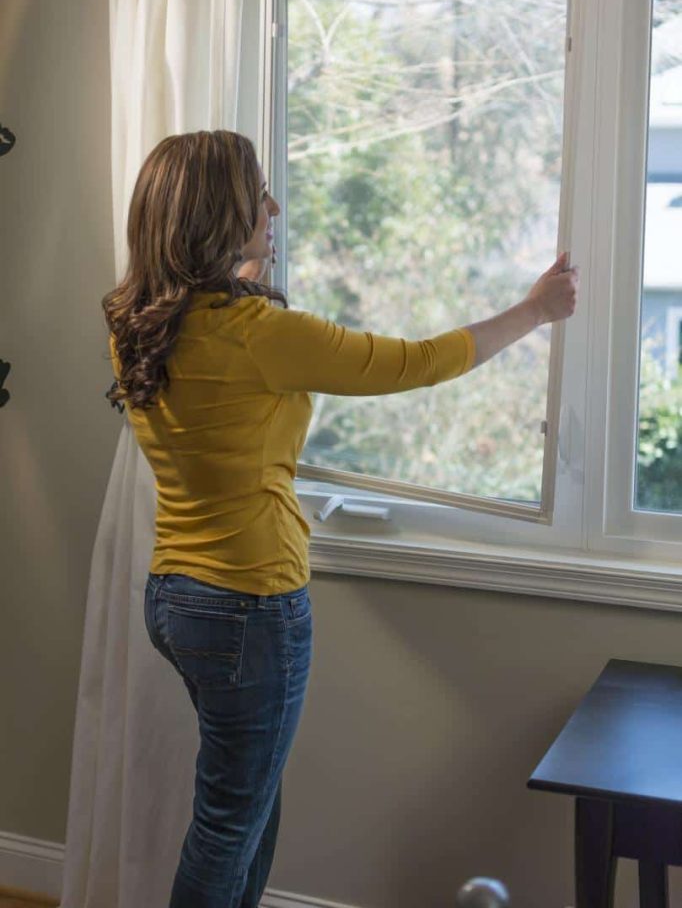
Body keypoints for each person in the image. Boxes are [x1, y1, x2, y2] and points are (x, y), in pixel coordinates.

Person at [102, 129, 579, 908]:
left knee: (247, 809)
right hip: (250, 605)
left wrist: (243, 269)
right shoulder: (265, 337)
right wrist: (534, 310)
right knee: (230, 823)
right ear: (223, 213)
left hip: (177, 597)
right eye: (260, 196)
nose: (275, 206)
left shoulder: (138, 325)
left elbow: (221, 393)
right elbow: (418, 361)